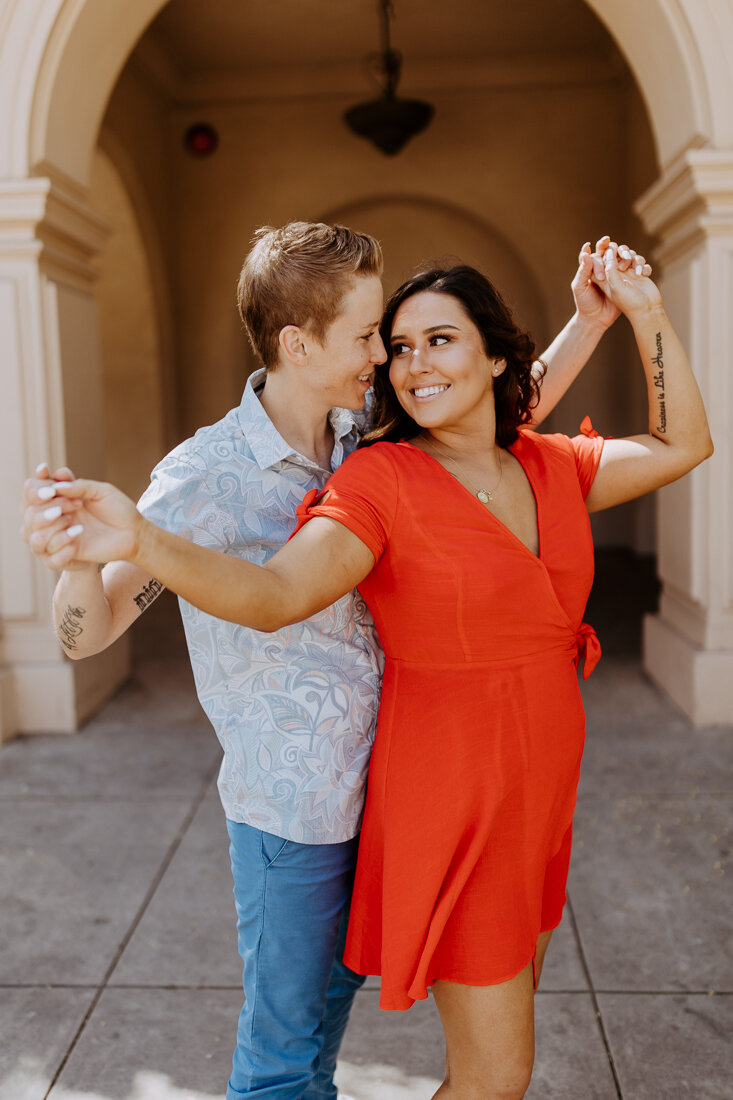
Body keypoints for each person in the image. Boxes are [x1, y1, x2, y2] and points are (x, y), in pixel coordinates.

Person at [22, 228, 660, 1100]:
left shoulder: (366, 432)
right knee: (284, 1062)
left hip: (401, 791)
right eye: (368, 336)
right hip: (298, 814)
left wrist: (587, 325)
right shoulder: (202, 476)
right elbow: (84, 634)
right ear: (298, 343)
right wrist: (73, 560)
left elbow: (490, 421)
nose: (386, 355)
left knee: (324, 1036)